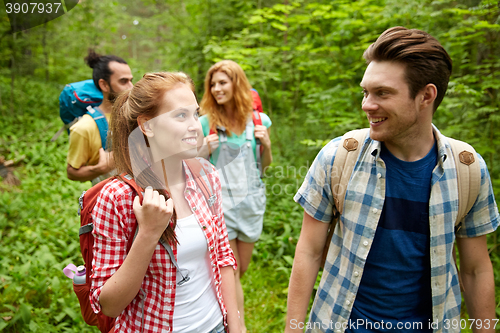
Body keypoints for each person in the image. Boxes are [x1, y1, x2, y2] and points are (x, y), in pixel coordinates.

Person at [286, 27, 499, 333]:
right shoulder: (338, 157)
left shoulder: (468, 170)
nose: (366, 104)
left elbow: (476, 270)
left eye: (382, 93)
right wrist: (293, 328)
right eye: (365, 91)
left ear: (426, 95)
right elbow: (308, 250)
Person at [89, 72, 240, 333]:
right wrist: (147, 234)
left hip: (216, 325)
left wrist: (237, 327)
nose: (195, 125)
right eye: (181, 116)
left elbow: (224, 258)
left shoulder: (206, 176)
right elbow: (109, 305)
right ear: (147, 125)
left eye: (195, 114)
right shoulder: (117, 197)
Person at [199, 60, 273, 332]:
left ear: (236, 83)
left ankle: (219, 305)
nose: (217, 89)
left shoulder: (259, 121)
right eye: (213, 84)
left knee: (239, 270)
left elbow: (264, 168)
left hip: (252, 203)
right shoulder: (206, 123)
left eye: (222, 82)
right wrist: (203, 150)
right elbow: (195, 169)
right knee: (230, 271)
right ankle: (236, 326)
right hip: (221, 204)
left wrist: (266, 145)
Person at [66, 49, 133, 184]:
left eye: (131, 80)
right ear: (104, 84)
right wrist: (100, 169)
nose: (131, 87)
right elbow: (72, 173)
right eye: (123, 81)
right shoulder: (84, 128)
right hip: (109, 202)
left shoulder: (136, 116)